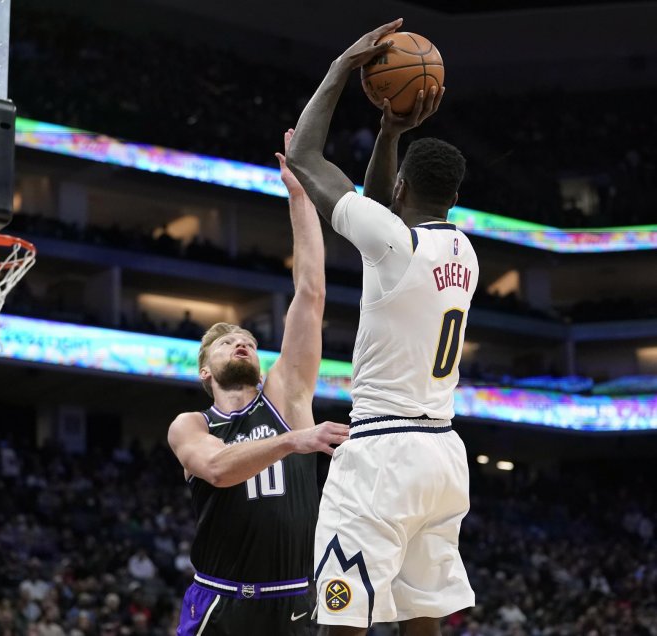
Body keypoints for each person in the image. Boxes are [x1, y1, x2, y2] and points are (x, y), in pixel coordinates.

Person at [287, 19, 479, 636]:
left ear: (400, 188)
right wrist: (390, 134)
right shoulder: (464, 253)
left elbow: (303, 156)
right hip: (444, 455)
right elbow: (379, 214)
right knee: (420, 613)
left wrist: (342, 67)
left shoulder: (395, 246)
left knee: (342, 618)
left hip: (383, 454)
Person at [167, 130, 349, 635]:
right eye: (226, 343)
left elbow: (310, 293)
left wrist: (299, 195)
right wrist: (295, 440)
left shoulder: (287, 396)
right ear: (206, 370)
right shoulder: (192, 424)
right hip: (223, 600)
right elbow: (218, 471)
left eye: (246, 338)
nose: (241, 343)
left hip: (295, 598)